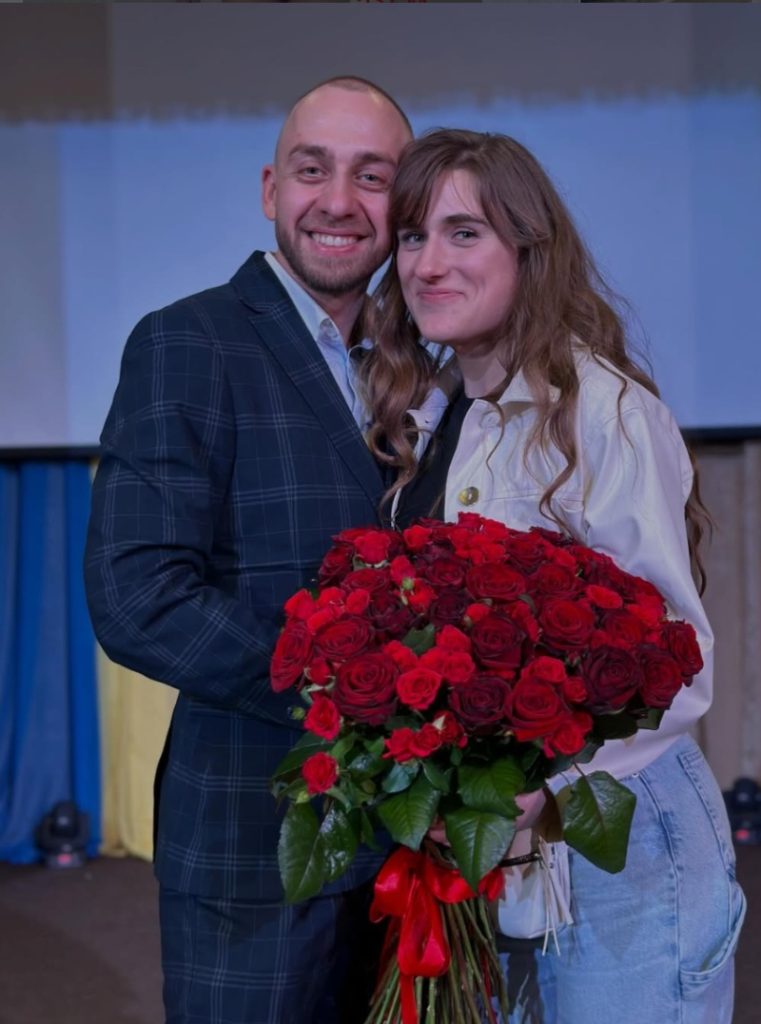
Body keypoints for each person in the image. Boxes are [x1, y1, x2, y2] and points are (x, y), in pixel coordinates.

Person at [363, 128, 746, 1024]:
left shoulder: (603, 412)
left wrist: (549, 790)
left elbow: (678, 660)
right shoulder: (439, 418)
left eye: (463, 233)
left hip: (621, 836)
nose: (426, 263)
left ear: (529, 250)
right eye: (412, 236)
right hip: (510, 848)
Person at [84, 76, 412, 1024]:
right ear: (272, 189)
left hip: (408, 844)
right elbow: (137, 594)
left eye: (372, 176)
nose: (339, 201)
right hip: (253, 842)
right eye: (313, 171)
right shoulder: (187, 341)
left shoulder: (418, 362)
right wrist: (349, 696)